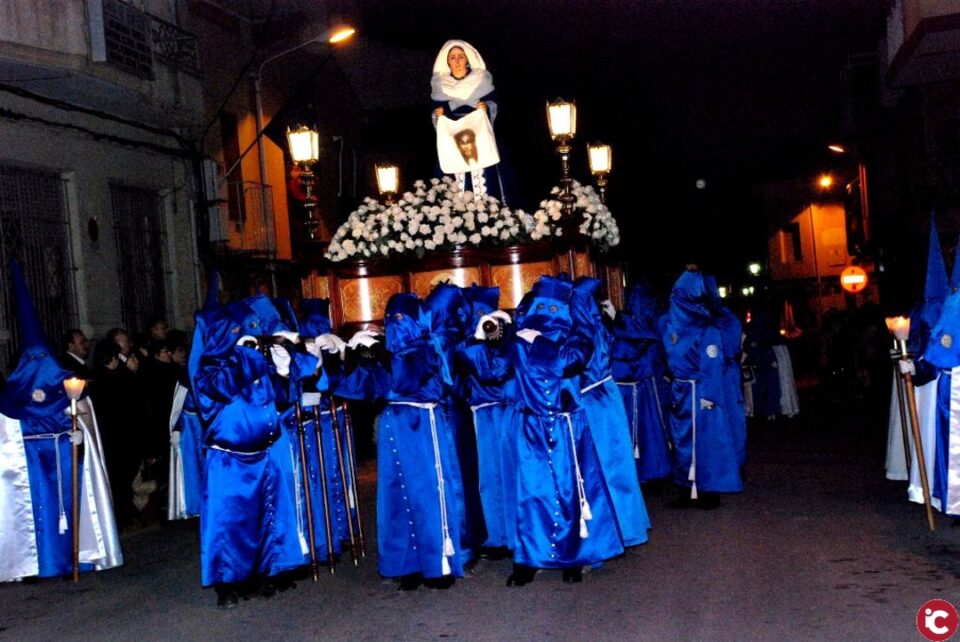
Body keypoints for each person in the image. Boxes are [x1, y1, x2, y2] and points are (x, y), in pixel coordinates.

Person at [0, 260, 122, 581]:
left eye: (42, 357)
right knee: (35, 510)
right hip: (30, 463)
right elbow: (6, 431)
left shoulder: (65, 383)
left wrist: (82, 435)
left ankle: (74, 557)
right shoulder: (12, 392)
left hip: (64, 456)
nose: (37, 365)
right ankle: (36, 564)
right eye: (31, 358)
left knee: (65, 507)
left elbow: (83, 415)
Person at [660, 267, 745, 508]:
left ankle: (708, 490)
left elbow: (712, 367)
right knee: (682, 441)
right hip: (682, 392)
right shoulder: (673, 326)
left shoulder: (707, 329)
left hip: (701, 394)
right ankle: (687, 488)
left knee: (706, 443)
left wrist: (710, 399)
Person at [431, 39, 514, 205]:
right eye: (452, 57)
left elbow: (494, 104)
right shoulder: (440, 86)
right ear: (447, 61)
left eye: (460, 56)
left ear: (467, 59)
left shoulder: (481, 80)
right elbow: (435, 112)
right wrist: (438, 113)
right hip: (454, 141)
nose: (457, 61)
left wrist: (487, 107)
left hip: (481, 138)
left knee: (488, 177)